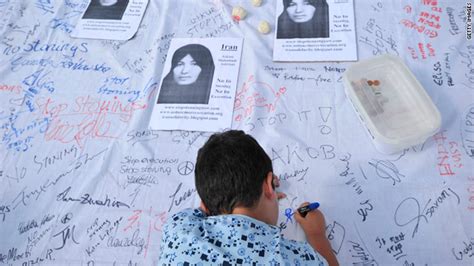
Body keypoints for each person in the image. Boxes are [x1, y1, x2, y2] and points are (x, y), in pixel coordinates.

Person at [158, 130, 339, 265]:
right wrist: (317, 235)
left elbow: (203, 208)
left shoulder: (177, 229)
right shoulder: (289, 258)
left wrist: (258, 189)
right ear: (269, 186)